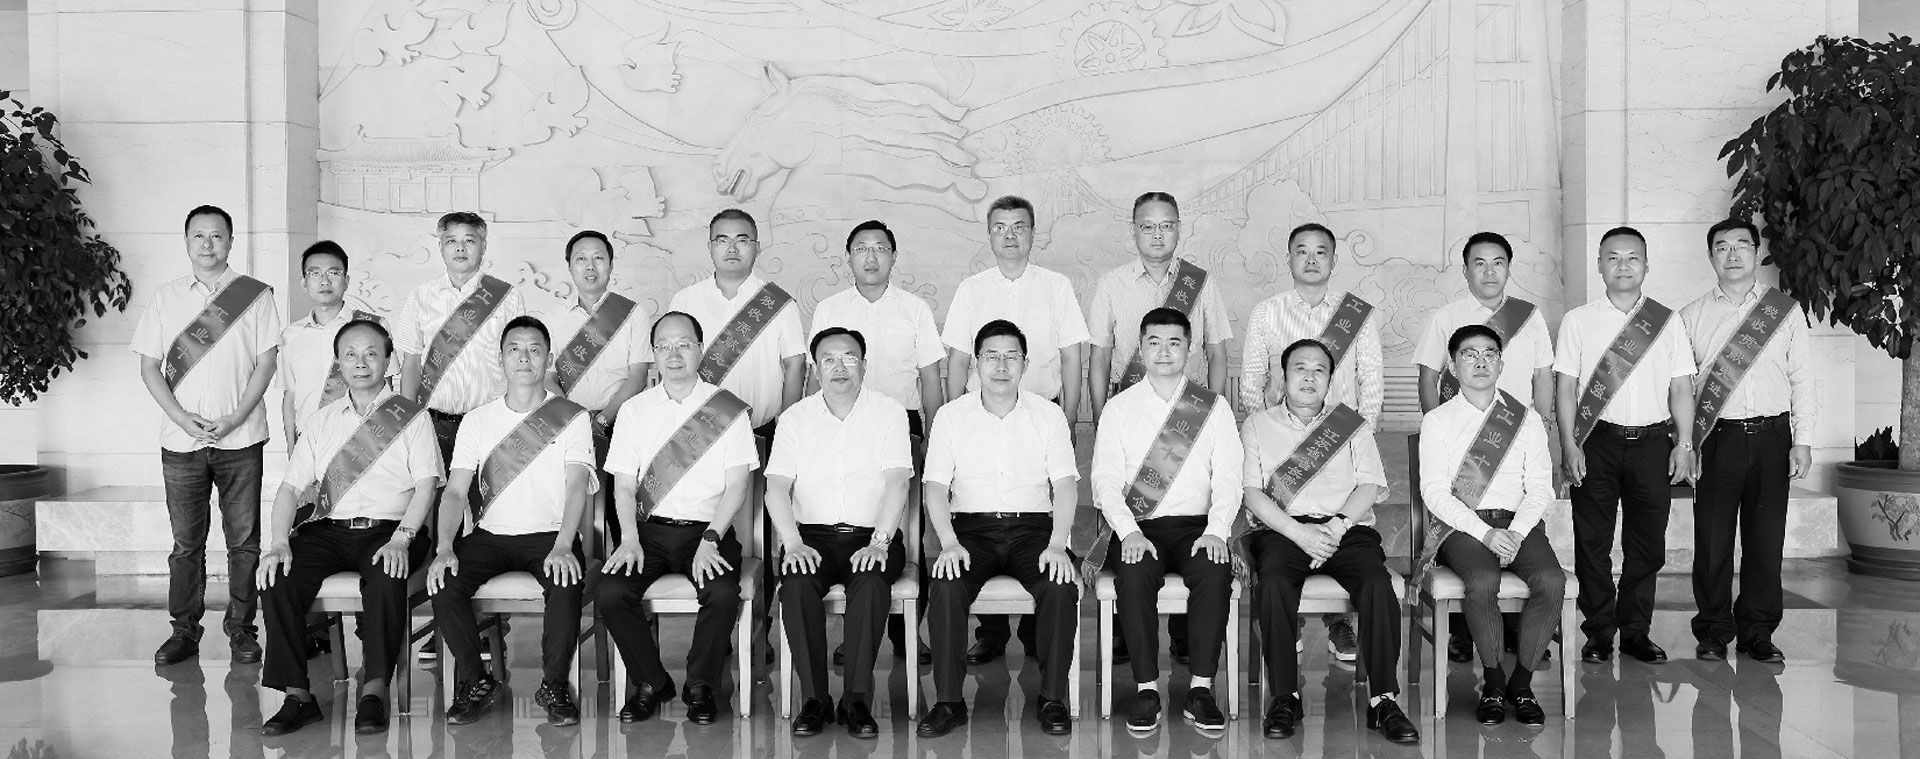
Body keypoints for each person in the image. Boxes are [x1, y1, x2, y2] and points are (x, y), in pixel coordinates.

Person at [257, 319, 440, 735]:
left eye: (371, 354)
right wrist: (278, 542)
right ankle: (297, 696)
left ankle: (373, 692)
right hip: (329, 530)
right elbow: (290, 488)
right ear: (338, 363)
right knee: (277, 577)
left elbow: (427, 486)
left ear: (388, 361)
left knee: (385, 575)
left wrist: (402, 538)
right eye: (351, 355)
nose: (361, 363)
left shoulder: (411, 418)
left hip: (391, 530)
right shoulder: (321, 421)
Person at [1241, 339, 1416, 743]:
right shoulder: (1257, 425)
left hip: (1346, 530)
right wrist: (1298, 533)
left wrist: (1336, 528)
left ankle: (1383, 701)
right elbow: (1251, 493)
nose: (1309, 377)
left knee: (1377, 584)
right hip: (1283, 531)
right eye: (1299, 368)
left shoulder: (1351, 424)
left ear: (1330, 379)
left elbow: (1369, 485)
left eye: (1319, 369)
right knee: (1273, 584)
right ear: (1283, 376)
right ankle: (1285, 696)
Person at [940, 196, 1090, 664]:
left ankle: (1035, 632)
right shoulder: (972, 289)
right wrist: (955, 415)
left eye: (1019, 226)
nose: (1010, 235)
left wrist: (1069, 417)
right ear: (989, 234)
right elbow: (959, 359)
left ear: (1032, 233)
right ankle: (991, 633)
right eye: (1000, 227)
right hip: (981, 415)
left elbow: (1071, 356)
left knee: (1034, 519)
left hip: (1043, 417)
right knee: (985, 510)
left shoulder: (1056, 286)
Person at [1086, 193, 1234, 666]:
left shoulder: (1200, 283)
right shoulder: (1111, 284)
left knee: (1194, 542)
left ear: (1178, 229)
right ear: (1133, 230)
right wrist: (1101, 415)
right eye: (1147, 226)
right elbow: (1100, 356)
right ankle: (1127, 638)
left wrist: (1206, 411)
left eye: (1166, 225)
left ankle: (1188, 641)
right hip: (1130, 420)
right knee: (1128, 534)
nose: (1157, 234)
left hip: (1188, 416)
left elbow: (1215, 352)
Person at [134, 204, 283, 666]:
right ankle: (184, 631)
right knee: (186, 545)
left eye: (217, 236)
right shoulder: (165, 297)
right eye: (199, 236)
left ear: (231, 242)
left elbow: (266, 362)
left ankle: (242, 629)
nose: (207, 244)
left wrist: (236, 417)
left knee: (244, 542)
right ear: (186, 242)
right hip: (182, 441)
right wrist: (180, 418)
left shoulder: (254, 295)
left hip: (241, 438)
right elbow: (149, 366)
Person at [918, 320, 1082, 738]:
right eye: (992, 356)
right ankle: (949, 702)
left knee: (1060, 584)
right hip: (971, 533)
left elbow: (1065, 486)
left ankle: (1052, 698)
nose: (1002, 365)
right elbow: (934, 488)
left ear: (1025, 364)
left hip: (1034, 531)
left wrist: (1058, 544)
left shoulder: (1049, 415)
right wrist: (948, 543)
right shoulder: (951, 417)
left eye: (1012, 357)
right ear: (976, 363)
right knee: (947, 585)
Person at [427, 316, 592, 726]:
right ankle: (476, 680)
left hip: (551, 536)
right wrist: (444, 547)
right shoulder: (477, 420)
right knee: (444, 581)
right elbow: (454, 492)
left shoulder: (572, 417)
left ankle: (554, 685)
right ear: (500, 358)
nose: (524, 357)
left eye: (534, 350)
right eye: (514, 349)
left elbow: (576, 486)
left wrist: (564, 544)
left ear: (548, 359)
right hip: (489, 537)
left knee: (565, 582)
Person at [599, 311, 757, 726]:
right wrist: (628, 539)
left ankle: (701, 685)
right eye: (664, 346)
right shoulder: (633, 410)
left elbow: (737, 487)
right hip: (646, 533)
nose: (674, 355)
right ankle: (651, 683)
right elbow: (623, 486)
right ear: (653, 354)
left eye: (684, 345)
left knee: (722, 592)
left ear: (701, 350)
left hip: (707, 532)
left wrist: (711, 540)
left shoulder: (726, 409)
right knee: (611, 592)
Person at [1087, 307, 1241, 732]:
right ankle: (1146, 690)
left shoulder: (1213, 408)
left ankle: (1201, 689)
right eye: (1154, 342)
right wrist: (1129, 533)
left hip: (1198, 528)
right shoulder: (1119, 408)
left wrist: (1217, 532)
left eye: (1175, 343)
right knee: (1134, 573)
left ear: (1190, 350)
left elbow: (1229, 479)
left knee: (1214, 570)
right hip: (1139, 527)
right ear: (1140, 349)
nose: (1164, 351)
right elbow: (1105, 482)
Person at [1412, 231, 1557, 663]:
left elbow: (1543, 376)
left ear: (1509, 268)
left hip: (1516, 438)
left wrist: (1543, 425)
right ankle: (1463, 633)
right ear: (1465, 270)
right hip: (1464, 454)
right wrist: (1443, 425)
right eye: (1480, 263)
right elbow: (1427, 376)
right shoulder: (1447, 317)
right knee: (1475, 564)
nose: (1489, 272)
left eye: (1498, 263)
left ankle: (1518, 635)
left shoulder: (1529, 317)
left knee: (1527, 556)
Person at [1239, 222, 1381, 663]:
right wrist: (1267, 433)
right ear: (1289, 259)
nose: (1312, 259)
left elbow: (1371, 381)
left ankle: (1340, 624)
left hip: (1340, 447)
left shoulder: (1357, 313)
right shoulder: (1267, 311)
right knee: (1283, 557)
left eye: (1321, 251)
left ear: (1334, 261)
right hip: (1282, 454)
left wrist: (1355, 441)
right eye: (1302, 251)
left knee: (1349, 549)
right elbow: (1252, 381)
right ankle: (1289, 623)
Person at [1555, 226, 1696, 663]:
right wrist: (1569, 445)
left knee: (1647, 543)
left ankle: (1636, 631)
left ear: (1646, 265)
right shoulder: (1578, 321)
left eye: (1632, 257)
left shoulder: (1667, 321)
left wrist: (1684, 443)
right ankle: (1598, 631)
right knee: (1591, 542)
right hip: (1596, 441)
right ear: (1599, 265)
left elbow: (1681, 387)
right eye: (1613, 257)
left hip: (1653, 443)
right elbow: (1565, 389)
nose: (1623, 265)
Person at [1679, 218, 1815, 664]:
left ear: (1757, 253)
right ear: (1711, 257)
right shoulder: (1691, 316)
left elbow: (1802, 378)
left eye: (1742, 245)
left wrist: (1803, 439)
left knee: (1765, 542)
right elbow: (1680, 388)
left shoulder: (1785, 311)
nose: (1732, 254)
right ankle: (1713, 631)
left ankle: (1758, 631)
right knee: (1712, 542)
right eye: (1722, 247)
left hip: (1774, 437)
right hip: (1717, 439)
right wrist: (1686, 444)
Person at [808, 220, 944, 665]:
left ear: (893, 257)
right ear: (848, 257)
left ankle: (908, 633)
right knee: (855, 520)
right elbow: (815, 376)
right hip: (841, 423)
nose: (871, 257)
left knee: (906, 530)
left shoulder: (914, 309)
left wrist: (934, 437)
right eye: (862, 249)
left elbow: (929, 378)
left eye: (880, 248)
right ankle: (855, 634)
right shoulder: (829, 309)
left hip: (902, 425)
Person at [767, 327, 913, 738]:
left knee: (870, 582)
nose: (839, 367)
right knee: (796, 584)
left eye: (849, 357)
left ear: (864, 364)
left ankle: (856, 700)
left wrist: (880, 542)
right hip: (810, 539)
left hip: (873, 537)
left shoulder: (889, 412)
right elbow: (775, 488)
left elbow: (898, 482)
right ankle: (815, 699)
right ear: (815, 369)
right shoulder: (795, 419)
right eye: (828, 359)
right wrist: (792, 543)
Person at [1420, 324, 1567, 726]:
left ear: (1502, 364)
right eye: (1469, 354)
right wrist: (1485, 533)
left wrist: (1516, 532)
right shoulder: (1438, 421)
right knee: (1483, 580)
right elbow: (1434, 492)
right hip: (1463, 529)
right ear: (1453, 366)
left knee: (1551, 580)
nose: (1481, 361)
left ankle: (1521, 684)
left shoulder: (1526, 419)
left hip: (1518, 525)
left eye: (1489, 353)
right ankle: (1494, 680)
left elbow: (1540, 487)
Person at [393, 212, 527, 467]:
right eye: (452, 241)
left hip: (489, 421)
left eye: (470, 240)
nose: (460, 248)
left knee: (486, 491)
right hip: (433, 423)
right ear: (441, 247)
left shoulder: (508, 297)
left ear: (483, 245)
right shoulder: (421, 297)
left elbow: (518, 360)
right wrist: (409, 421)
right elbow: (411, 362)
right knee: (434, 490)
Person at [540, 229, 650, 505]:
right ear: (570, 266)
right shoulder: (552, 319)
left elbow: (638, 376)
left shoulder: (633, 314)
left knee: (619, 503)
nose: (590, 266)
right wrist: (576, 419)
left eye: (598, 258)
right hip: (569, 425)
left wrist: (602, 420)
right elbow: (548, 379)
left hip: (622, 424)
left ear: (610, 265)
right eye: (581, 259)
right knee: (568, 502)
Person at [279, 241, 383, 446]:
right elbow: (290, 395)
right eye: (315, 273)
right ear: (303, 281)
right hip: (308, 443)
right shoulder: (291, 335)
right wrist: (292, 447)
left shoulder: (372, 327)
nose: (325, 281)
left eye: (334, 273)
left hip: (360, 444)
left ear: (346, 281)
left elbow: (384, 389)